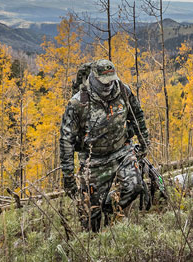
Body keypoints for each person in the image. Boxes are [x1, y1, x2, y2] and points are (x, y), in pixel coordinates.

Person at [60, 59, 150, 231]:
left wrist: (144, 142)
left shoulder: (123, 90)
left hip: (121, 152)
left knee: (134, 187)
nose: (108, 85)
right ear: (94, 78)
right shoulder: (78, 103)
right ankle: (95, 234)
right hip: (93, 161)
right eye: (104, 82)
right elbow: (66, 141)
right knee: (89, 217)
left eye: (111, 80)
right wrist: (68, 177)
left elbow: (137, 115)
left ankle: (110, 214)